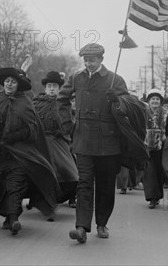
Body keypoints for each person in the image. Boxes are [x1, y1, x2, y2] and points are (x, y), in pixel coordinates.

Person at [57, 43, 128, 243]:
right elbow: (61, 100)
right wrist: (67, 125)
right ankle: (81, 227)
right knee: (84, 184)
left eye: (92, 60)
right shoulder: (76, 78)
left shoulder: (115, 80)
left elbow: (129, 108)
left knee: (105, 186)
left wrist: (118, 100)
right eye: (86, 60)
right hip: (83, 140)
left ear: (101, 60)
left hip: (108, 142)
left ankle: (102, 223)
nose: (88, 63)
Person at [0, 67, 59, 236]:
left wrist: (14, 135)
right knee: (2, 186)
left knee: (15, 184)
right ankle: (9, 217)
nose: (9, 84)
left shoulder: (25, 102)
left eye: (13, 81)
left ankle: (14, 217)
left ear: (19, 84)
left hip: (19, 152)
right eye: (7, 81)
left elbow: (32, 130)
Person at [33, 71, 79, 211]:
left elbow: (71, 122)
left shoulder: (65, 104)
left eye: (54, 86)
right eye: (49, 86)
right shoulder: (36, 103)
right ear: (45, 88)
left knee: (70, 168)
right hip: (40, 142)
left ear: (59, 88)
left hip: (61, 141)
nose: (51, 88)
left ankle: (72, 196)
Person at [142, 88, 168, 209]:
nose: (155, 101)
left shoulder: (166, 113)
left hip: (162, 146)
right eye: (153, 99)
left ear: (160, 101)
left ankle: (157, 196)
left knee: (159, 172)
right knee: (149, 172)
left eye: (157, 99)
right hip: (146, 145)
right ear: (148, 100)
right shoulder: (143, 112)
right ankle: (151, 198)